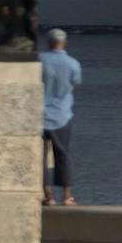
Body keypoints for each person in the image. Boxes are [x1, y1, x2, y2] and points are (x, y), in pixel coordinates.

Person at [38, 28, 81, 206]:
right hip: (62, 116)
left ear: (48, 42)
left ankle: (48, 196)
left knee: (40, 157)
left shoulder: (39, 60)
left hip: (39, 116)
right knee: (63, 155)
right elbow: (75, 86)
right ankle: (67, 196)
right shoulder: (73, 64)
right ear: (64, 43)